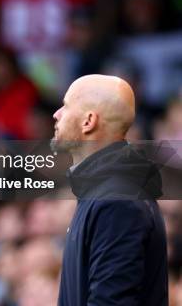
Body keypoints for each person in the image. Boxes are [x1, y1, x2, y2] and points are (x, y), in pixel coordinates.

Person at [51, 74, 167, 305]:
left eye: (65, 106)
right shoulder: (104, 192)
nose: (56, 114)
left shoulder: (117, 200)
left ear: (88, 121)